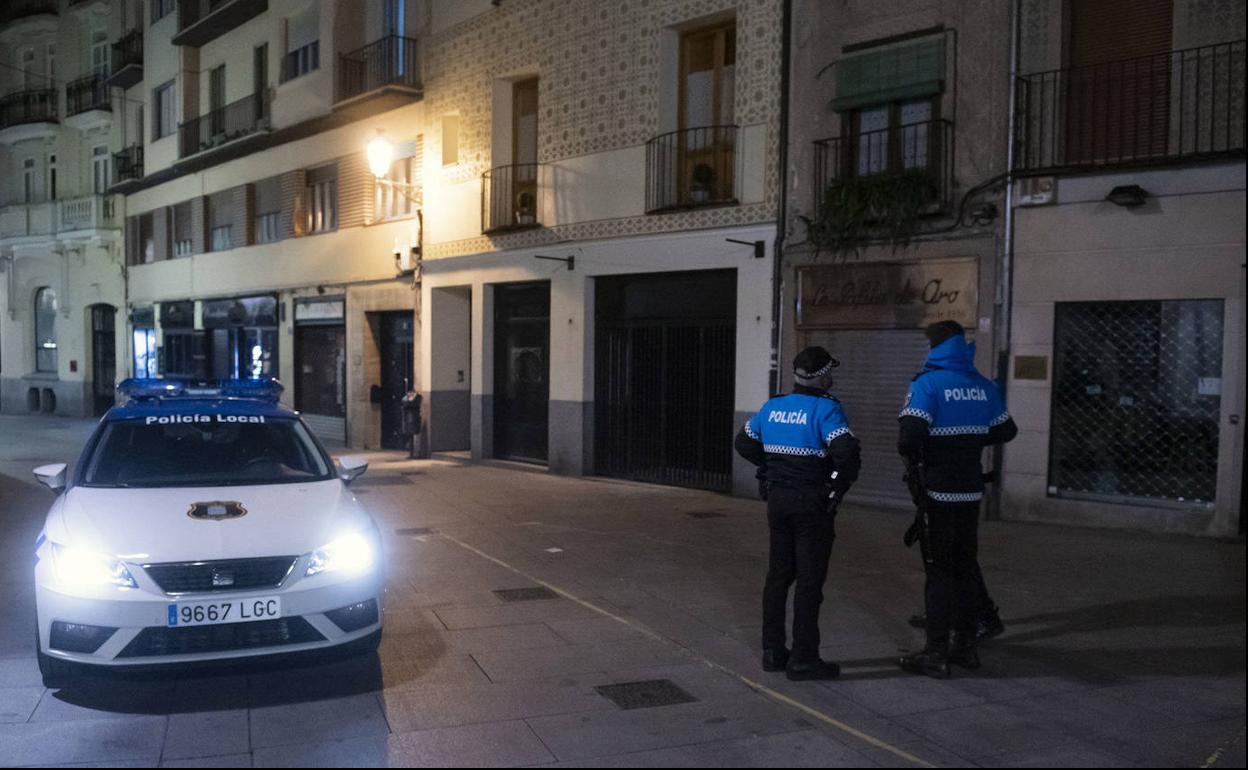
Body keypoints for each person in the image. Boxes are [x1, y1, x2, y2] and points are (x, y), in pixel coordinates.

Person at [897, 321, 1017, 678]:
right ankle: (965, 647)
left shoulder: (927, 384)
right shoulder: (982, 385)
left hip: (937, 491)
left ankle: (935, 652)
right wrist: (972, 437)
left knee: (939, 572)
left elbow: (908, 438)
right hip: (970, 490)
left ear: (934, 347)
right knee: (965, 568)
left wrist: (934, 449)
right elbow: (1006, 430)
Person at [735, 346, 862, 681]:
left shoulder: (772, 407)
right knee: (809, 581)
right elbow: (847, 457)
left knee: (778, 577)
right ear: (821, 375)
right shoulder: (826, 409)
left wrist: (771, 469)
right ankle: (804, 658)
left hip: (778, 501)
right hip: (810, 504)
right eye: (829, 372)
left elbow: (744, 443)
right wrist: (833, 485)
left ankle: (773, 651)